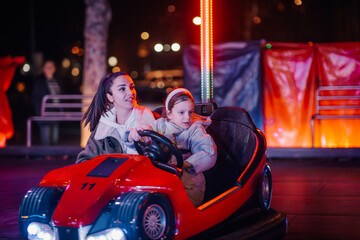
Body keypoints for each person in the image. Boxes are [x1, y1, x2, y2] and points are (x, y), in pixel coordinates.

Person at [132, 88, 217, 207]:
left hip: (188, 182)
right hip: (164, 179)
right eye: (181, 112)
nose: (187, 117)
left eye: (190, 112)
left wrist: (185, 164)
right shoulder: (161, 125)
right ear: (169, 113)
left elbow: (209, 153)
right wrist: (137, 132)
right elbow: (147, 129)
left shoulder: (195, 129)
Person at [76, 71, 155, 163]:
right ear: (110, 97)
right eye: (122, 89)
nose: (130, 92)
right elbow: (83, 161)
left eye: (132, 87)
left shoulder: (148, 119)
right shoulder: (103, 127)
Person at [31, 60, 62, 145]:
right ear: (43, 69)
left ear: (54, 69)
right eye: (47, 67)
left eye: (51, 67)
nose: (49, 69)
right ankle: (46, 156)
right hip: (45, 113)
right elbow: (35, 98)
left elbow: (61, 96)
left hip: (56, 113)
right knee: (46, 139)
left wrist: (63, 111)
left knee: (55, 138)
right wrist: (40, 112)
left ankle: (53, 156)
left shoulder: (57, 80)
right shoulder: (39, 81)